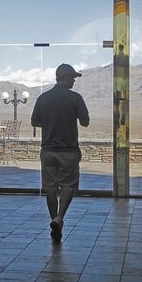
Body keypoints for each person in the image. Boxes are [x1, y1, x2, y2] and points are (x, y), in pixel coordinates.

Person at [31, 63, 89, 242]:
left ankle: (53, 220)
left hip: (48, 150)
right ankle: (60, 218)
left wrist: (50, 123)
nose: (73, 81)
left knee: (49, 187)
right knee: (67, 185)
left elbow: (35, 121)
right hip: (69, 151)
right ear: (65, 78)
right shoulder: (75, 98)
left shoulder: (43, 98)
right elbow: (85, 122)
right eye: (72, 78)